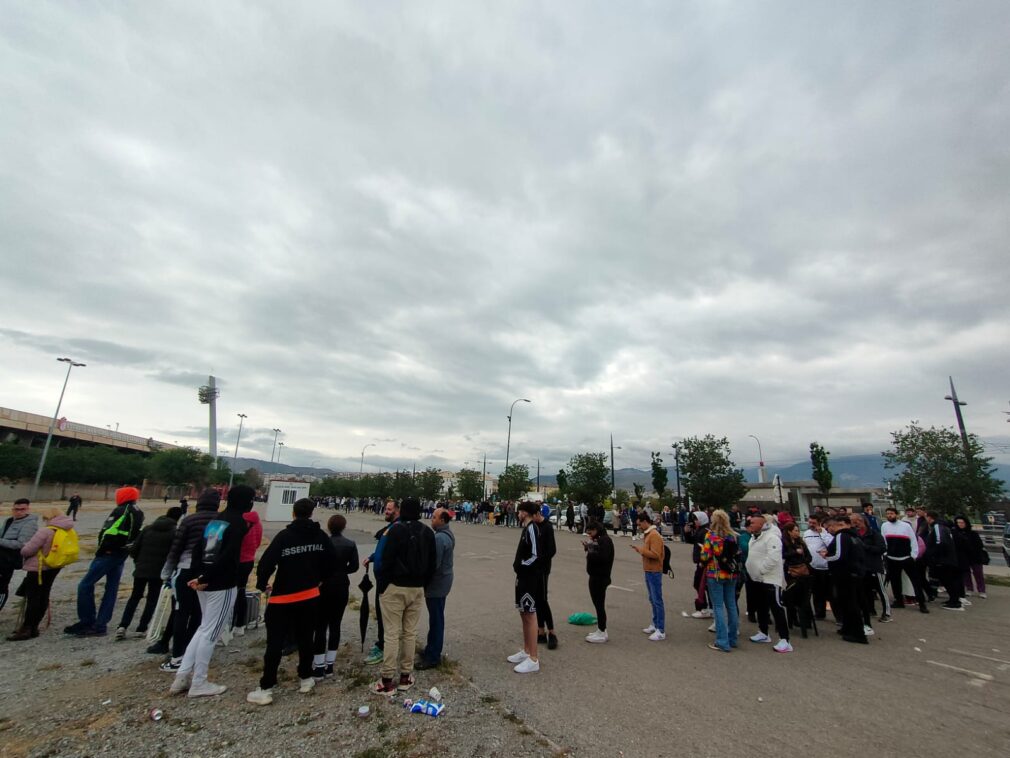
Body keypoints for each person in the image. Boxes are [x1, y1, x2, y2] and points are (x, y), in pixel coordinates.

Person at [247, 498, 337, 705]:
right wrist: (320, 579)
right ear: (311, 514)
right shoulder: (320, 536)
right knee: (306, 638)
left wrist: (262, 584)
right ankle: (305, 678)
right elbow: (332, 561)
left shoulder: (285, 537)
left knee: (275, 643)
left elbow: (267, 562)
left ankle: (267, 686)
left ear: (293, 514)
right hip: (309, 596)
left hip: (283, 597)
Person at [168, 485, 249, 699]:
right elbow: (229, 555)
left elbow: (198, 549)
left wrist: (198, 574)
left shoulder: (217, 520)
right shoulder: (238, 523)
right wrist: (206, 577)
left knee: (204, 628)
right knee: (212, 633)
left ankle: (182, 675)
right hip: (221, 583)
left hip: (203, 579)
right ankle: (199, 681)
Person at [371, 497, 436, 695]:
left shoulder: (395, 530)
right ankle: (406, 676)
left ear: (402, 511)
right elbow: (433, 563)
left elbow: (386, 559)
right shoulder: (427, 532)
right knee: (410, 632)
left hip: (396, 587)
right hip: (417, 589)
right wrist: (423, 584)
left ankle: (387, 680)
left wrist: (383, 583)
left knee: (391, 633)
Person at [65, 487, 144, 637]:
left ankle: (88, 621)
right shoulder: (131, 510)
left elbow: (118, 532)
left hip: (111, 553)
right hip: (117, 552)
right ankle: (100, 624)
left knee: (85, 585)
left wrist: (108, 549)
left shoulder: (126, 510)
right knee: (111, 588)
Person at [159, 489, 223, 671]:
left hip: (185, 570)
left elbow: (176, 548)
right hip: (207, 573)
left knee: (181, 612)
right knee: (199, 613)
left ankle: (177, 656)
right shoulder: (219, 522)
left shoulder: (189, 520)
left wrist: (166, 573)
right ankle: (192, 650)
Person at [115, 506, 182, 640]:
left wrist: (138, 561)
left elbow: (134, 548)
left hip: (141, 569)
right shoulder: (174, 532)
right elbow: (174, 554)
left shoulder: (148, 528)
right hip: (158, 571)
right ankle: (141, 628)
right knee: (152, 600)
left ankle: (123, 626)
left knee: (134, 597)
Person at [7, 508, 74, 640]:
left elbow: (26, 551)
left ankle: (26, 628)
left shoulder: (46, 531)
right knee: (44, 595)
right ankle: (34, 627)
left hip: (38, 567)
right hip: (54, 566)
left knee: (33, 597)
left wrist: (26, 545)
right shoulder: (67, 529)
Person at [309, 513, 358, 679]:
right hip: (341, 586)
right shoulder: (350, 544)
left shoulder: (322, 543)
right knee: (335, 624)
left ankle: (318, 665)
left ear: (329, 526)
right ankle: (330, 664)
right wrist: (342, 570)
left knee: (320, 626)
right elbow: (354, 566)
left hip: (323, 586)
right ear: (343, 527)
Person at [745, 515, 792, 653]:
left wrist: (761, 570)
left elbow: (773, 557)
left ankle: (785, 639)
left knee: (776, 607)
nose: (750, 524)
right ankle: (763, 632)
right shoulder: (754, 537)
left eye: (753, 522)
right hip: (756, 579)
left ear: (762, 523)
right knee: (761, 606)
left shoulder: (772, 538)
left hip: (770, 579)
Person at [508, 502, 544, 673]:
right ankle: (526, 650)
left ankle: (534, 658)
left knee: (530, 614)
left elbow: (536, 555)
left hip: (529, 578)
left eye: (520, 511)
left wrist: (522, 565)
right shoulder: (525, 528)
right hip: (522, 577)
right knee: (523, 612)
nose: (518, 513)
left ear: (526, 513)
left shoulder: (532, 528)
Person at [362, 499, 399, 666]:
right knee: (383, 614)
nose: (386, 511)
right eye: (386, 508)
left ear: (398, 510)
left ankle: (384, 646)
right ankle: (385, 643)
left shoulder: (397, 529)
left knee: (385, 615)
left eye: (389, 509)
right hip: (383, 578)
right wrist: (372, 557)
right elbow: (381, 550)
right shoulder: (390, 528)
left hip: (388, 581)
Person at [417, 507, 455, 670]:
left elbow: (434, 564)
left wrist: (422, 580)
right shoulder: (447, 534)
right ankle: (430, 649)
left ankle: (433, 656)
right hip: (443, 580)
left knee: (436, 619)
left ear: (443, 520)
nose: (431, 519)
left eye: (434, 517)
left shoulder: (439, 538)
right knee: (436, 617)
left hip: (438, 583)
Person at [699, 509, 739, 652]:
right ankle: (733, 638)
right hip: (731, 574)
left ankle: (722, 641)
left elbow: (705, 556)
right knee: (732, 605)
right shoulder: (732, 536)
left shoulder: (711, 536)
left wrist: (703, 552)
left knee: (718, 606)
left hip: (715, 573)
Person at [823, 516, 867, 643]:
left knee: (850, 603)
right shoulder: (855, 536)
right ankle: (847, 628)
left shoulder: (842, 536)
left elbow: (839, 555)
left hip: (845, 574)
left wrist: (826, 557)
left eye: (835, 526)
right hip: (854, 573)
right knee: (846, 602)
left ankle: (858, 634)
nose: (832, 528)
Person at [881, 507, 929, 614]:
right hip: (892, 558)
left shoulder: (906, 526)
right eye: (888, 514)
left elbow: (913, 540)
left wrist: (913, 555)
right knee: (895, 581)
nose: (889, 515)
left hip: (906, 558)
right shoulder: (884, 526)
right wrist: (885, 554)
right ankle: (899, 601)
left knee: (915, 581)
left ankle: (922, 604)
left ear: (897, 515)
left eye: (892, 513)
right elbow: (883, 540)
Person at [851, 513, 889, 631]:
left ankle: (886, 612)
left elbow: (882, 548)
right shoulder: (855, 534)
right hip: (862, 567)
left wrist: (866, 547)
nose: (854, 523)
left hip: (874, 566)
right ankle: (869, 610)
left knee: (880, 590)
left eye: (855, 521)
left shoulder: (873, 534)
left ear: (861, 521)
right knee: (865, 591)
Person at [631, 510, 666, 641]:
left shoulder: (654, 535)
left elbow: (655, 554)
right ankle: (655, 624)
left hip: (654, 571)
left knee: (657, 600)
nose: (639, 527)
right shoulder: (649, 534)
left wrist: (641, 550)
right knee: (653, 599)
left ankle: (661, 629)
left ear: (645, 522)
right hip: (649, 570)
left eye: (640, 524)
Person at [1, 498, 39, 614]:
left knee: (2, 585)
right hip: (1, 556)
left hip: (10, 559)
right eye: (16, 509)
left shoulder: (30, 523)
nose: (18, 512)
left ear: (28, 509)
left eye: (22, 509)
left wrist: (1, 542)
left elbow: (21, 543)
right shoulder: (9, 520)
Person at [232, 504, 263, 637]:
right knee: (242, 590)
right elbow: (258, 542)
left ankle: (230, 623)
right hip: (249, 560)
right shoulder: (258, 524)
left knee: (232, 592)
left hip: (236, 560)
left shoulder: (240, 523)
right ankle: (240, 624)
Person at [924, 512, 964, 611]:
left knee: (948, 580)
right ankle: (953, 599)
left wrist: (934, 555)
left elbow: (940, 542)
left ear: (930, 518)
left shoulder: (938, 526)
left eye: (926, 517)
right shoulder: (943, 526)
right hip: (945, 559)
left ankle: (955, 602)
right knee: (947, 580)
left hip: (943, 559)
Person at [583, 520, 614, 643]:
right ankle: (601, 629)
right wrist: (589, 547)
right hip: (596, 576)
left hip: (600, 577)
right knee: (598, 605)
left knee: (599, 605)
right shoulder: (600, 540)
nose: (590, 535)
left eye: (591, 533)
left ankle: (602, 632)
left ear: (596, 530)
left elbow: (603, 557)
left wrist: (590, 550)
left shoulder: (604, 540)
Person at [781, 521, 814, 637]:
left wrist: (803, 561)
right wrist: (795, 553)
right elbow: (783, 555)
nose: (797, 533)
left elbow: (809, 556)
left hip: (804, 573)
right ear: (789, 532)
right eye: (795, 530)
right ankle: (793, 618)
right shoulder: (784, 543)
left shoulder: (801, 542)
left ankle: (807, 620)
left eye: (798, 530)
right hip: (790, 573)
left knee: (804, 597)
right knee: (791, 596)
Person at [533, 504, 559, 650]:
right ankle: (540, 631)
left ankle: (552, 632)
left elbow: (552, 550)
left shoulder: (547, 527)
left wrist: (539, 560)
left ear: (537, 514)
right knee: (537, 600)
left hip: (543, 569)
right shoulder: (533, 526)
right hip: (534, 569)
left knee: (543, 600)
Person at [802, 513, 834, 621]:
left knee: (831, 593)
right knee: (817, 592)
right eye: (809, 522)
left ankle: (839, 616)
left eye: (813, 523)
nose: (811, 524)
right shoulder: (806, 533)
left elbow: (831, 545)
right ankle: (820, 613)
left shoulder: (826, 533)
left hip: (825, 567)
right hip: (812, 566)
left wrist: (822, 533)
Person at [685, 511, 712, 619]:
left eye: (696, 519)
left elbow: (705, 547)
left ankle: (705, 608)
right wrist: (687, 532)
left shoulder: (705, 531)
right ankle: (708, 607)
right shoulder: (700, 530)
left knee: (700, 584)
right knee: (702, 585)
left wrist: (702, 561)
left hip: (703, 563)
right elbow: (693, 541)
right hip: (701, 562)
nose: (695, 521)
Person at [954, 516, 987, 599]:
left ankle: (982, 590)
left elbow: (979, 545)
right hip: (964, 557)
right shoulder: (957, 533)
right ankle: (969, 588)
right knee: (966, 574)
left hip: (975, 557)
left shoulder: (973, 534)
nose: (960, 524)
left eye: (962, 523)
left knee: (978, 573)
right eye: (958, 523)